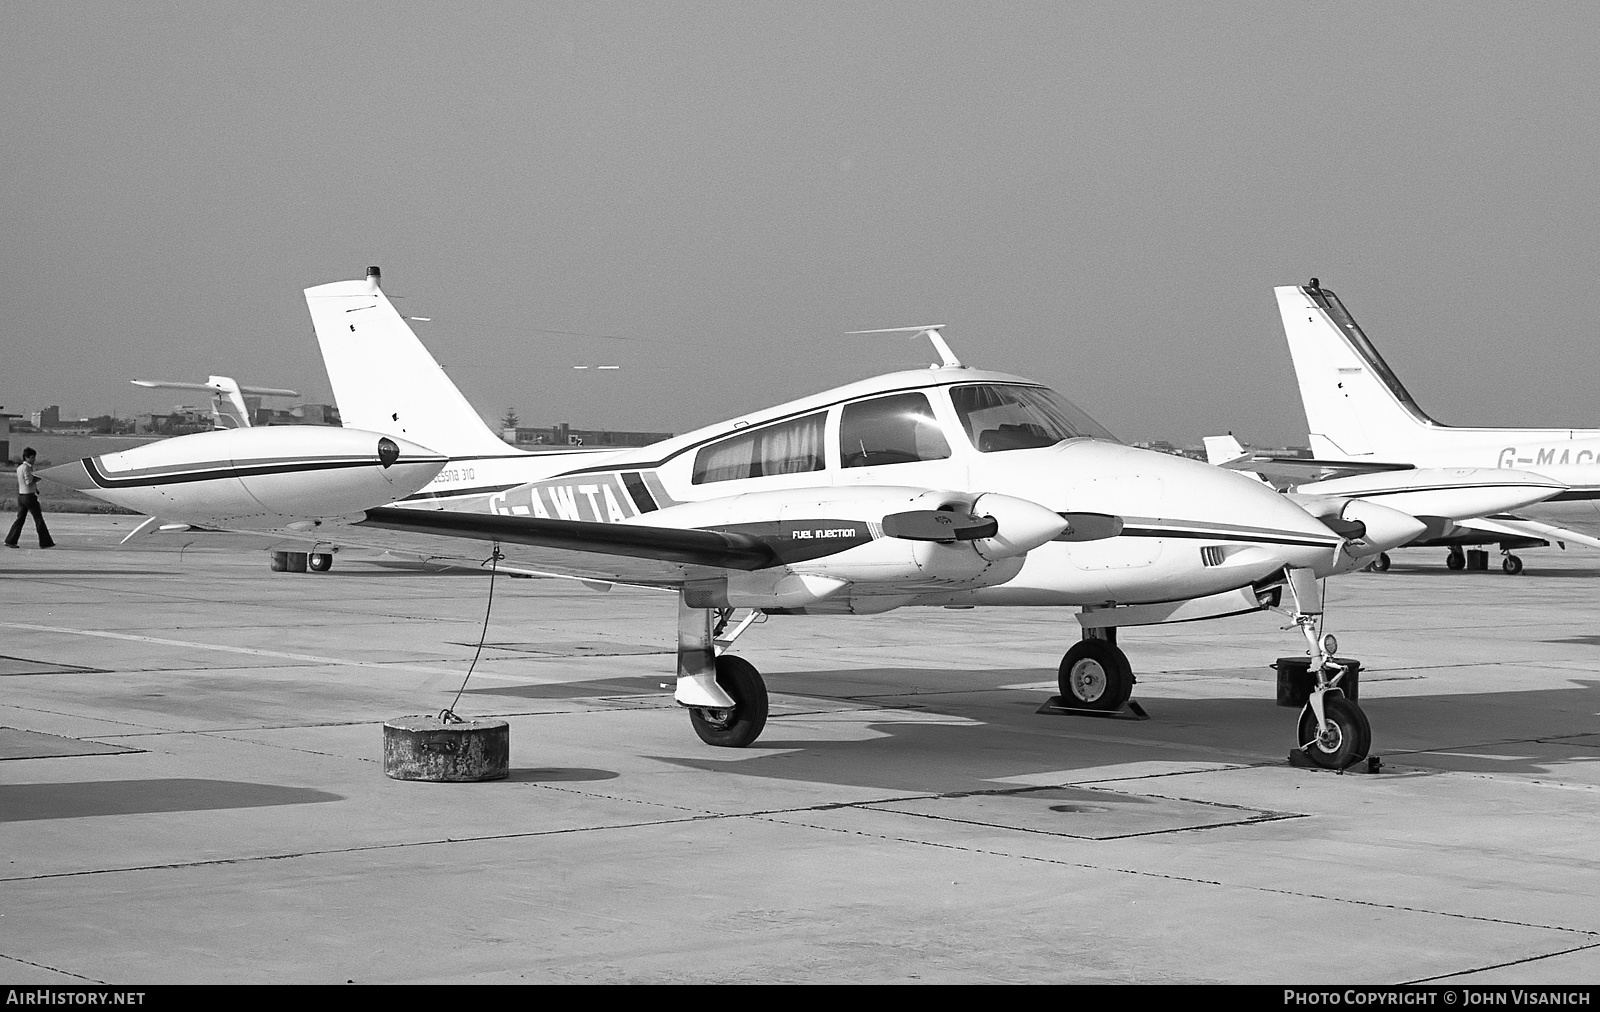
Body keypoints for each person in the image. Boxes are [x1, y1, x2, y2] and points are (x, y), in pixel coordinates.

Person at [6, 448, 55, 549]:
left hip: (21, 496)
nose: (34, 460)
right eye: (32, 457)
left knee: (20, 519)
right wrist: (39, 477)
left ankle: (10, 540)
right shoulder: (27, 468)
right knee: (38, 519)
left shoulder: (19, 468)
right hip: (29, 497)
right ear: (27, 457)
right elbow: (28, 482)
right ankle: (45, 542)